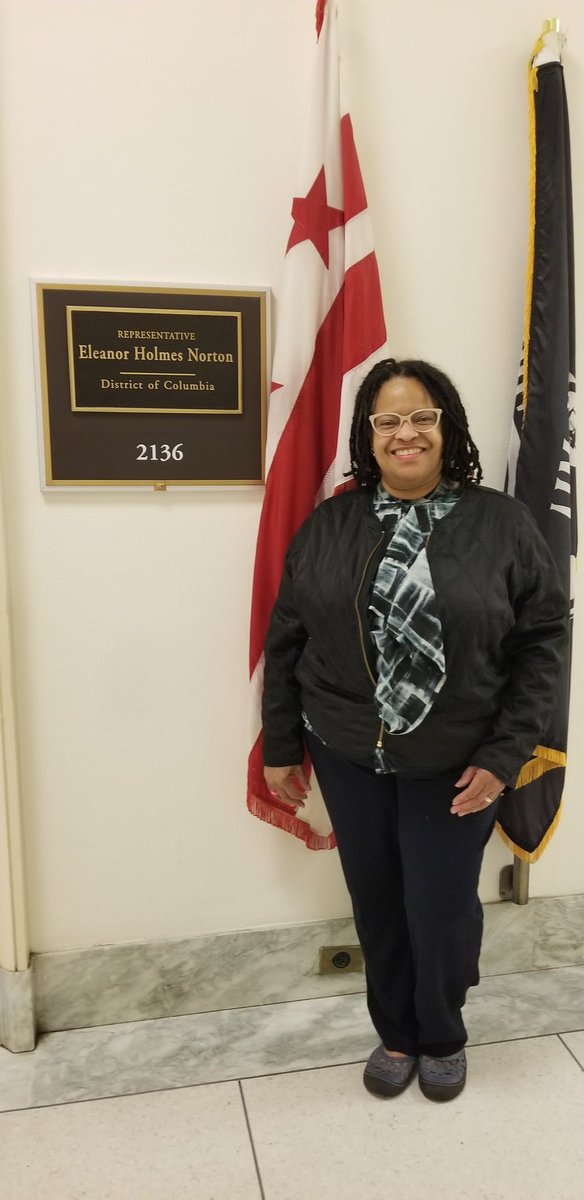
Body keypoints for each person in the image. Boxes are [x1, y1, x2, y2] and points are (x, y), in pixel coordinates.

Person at [261, 358, 568, 1103]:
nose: (407, 433)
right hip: (347, 753)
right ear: (367, 437)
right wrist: (279, 746)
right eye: (388, 420)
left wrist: (504, 756)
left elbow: (542, 642)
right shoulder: (330, 524)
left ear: (446, 427)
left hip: (458, 761)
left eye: (421, 417)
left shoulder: (502, 524)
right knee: (377, 899)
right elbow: (288, 638)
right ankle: (395, 1031)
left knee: (439, 906)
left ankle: (442, 1033)